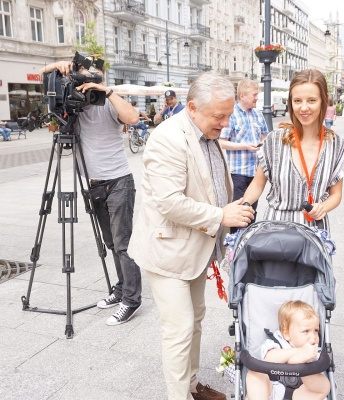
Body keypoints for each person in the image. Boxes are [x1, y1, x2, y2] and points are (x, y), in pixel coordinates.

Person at [129, 72, 255, 400]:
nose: (226, 123)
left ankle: (192, 385)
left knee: (195, 319)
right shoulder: (168, 137)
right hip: (167, 250)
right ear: (192, 107)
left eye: (228, 115)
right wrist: (220, 216)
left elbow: (210, 186)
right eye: (219, 116)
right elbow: (169, 202)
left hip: (197, 247)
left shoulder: (206, 132)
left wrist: (229, 213)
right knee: (179, 329)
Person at [39, 59, 143, 326]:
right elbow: (43, 77)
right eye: (78, 81)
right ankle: (120, 290)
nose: (82, 88)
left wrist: (105, 90)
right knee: (111, 244)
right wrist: (57, 66)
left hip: (118, 181)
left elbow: (132, 118)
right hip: (94, 184)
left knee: (123, 244)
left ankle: (131, 300)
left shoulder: (105, 101)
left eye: (87, 82)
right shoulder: (73, 106)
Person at [242, 69, 344, 233]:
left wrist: (322, 207)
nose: (304, 107)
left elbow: (336, 194)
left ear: (323, 101)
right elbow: (258, 184)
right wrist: (244, 205)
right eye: (298, 100)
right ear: (291, 103)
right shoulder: (275, 140)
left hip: (313, 231)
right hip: (275, 230)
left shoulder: (336, 145)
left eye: (312, 100)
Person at [246, 301, 330, 400]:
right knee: (254, 375)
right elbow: (269, 358)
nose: (313, 337)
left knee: (324, 386)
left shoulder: (314, 351)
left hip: (301, 395)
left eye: (316, 330)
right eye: (306, 331)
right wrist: (299, 351)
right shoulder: (276, 342)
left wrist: (304, 362)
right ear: (286, 333)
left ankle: (302, 367)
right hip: (274, 391)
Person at [219, 79, 268, 228]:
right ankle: (235, 245)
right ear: (242, 96)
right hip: (238, 174)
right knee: (239, 213)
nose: (257, 97)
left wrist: (262, 145)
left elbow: (264, 137)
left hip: (255, 174)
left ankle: (247, 244)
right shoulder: (232, 114)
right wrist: (245, 146)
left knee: (252, 212)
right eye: (254, 94)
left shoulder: (258, 114)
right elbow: (221, 141)